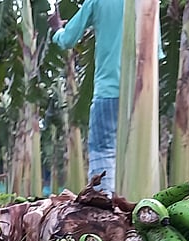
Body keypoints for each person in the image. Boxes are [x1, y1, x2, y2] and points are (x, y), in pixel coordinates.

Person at [49, 0, 124, 195]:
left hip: (109, 91)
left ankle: (103, 209)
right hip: (143, 95)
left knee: (103, 150)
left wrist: (57, 29)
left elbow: (67, 39)